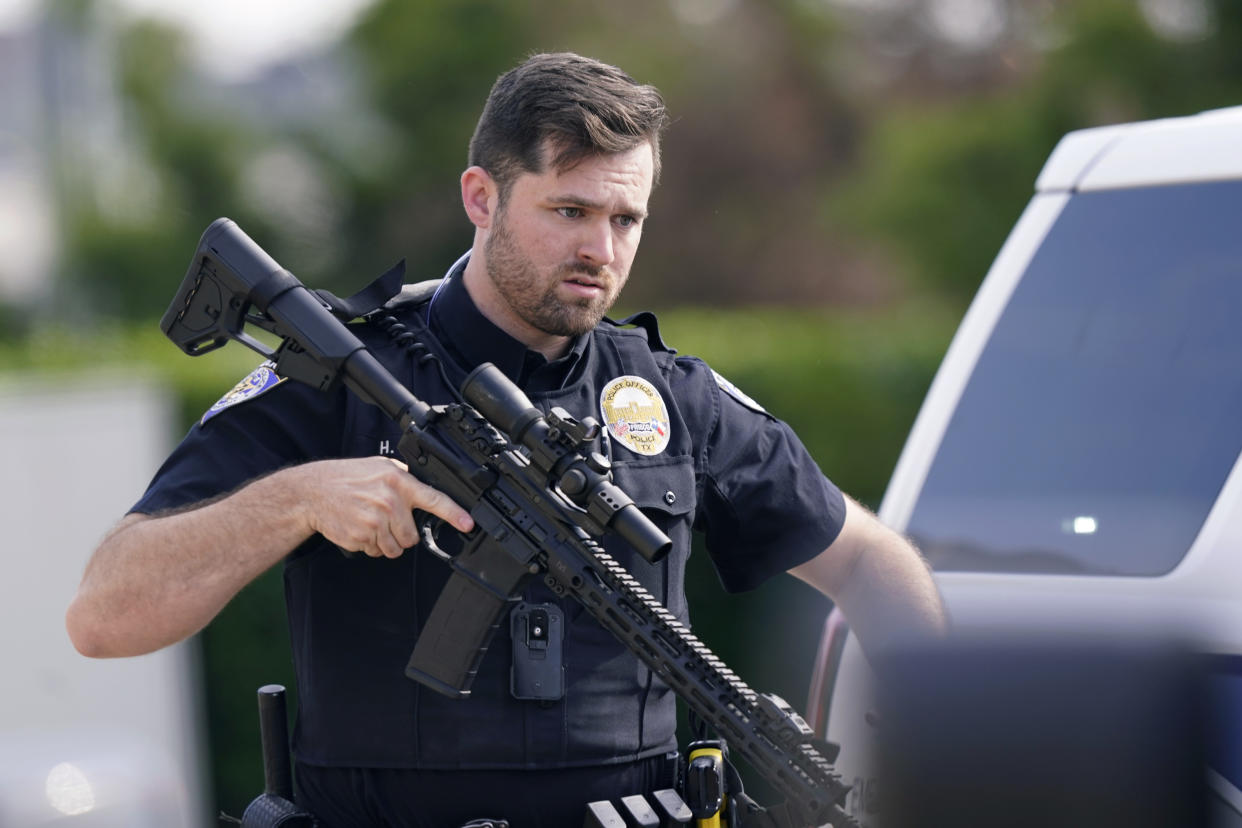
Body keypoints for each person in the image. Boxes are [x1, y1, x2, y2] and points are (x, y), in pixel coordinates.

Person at [66, 52, 946, 827]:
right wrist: (300, 498)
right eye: (569, 210)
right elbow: (106, 614)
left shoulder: (673, 397)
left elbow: (870, 561)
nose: (601, 247)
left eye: (626, 219)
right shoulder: (333, 376)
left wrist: (940, 749)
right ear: (481, 197)